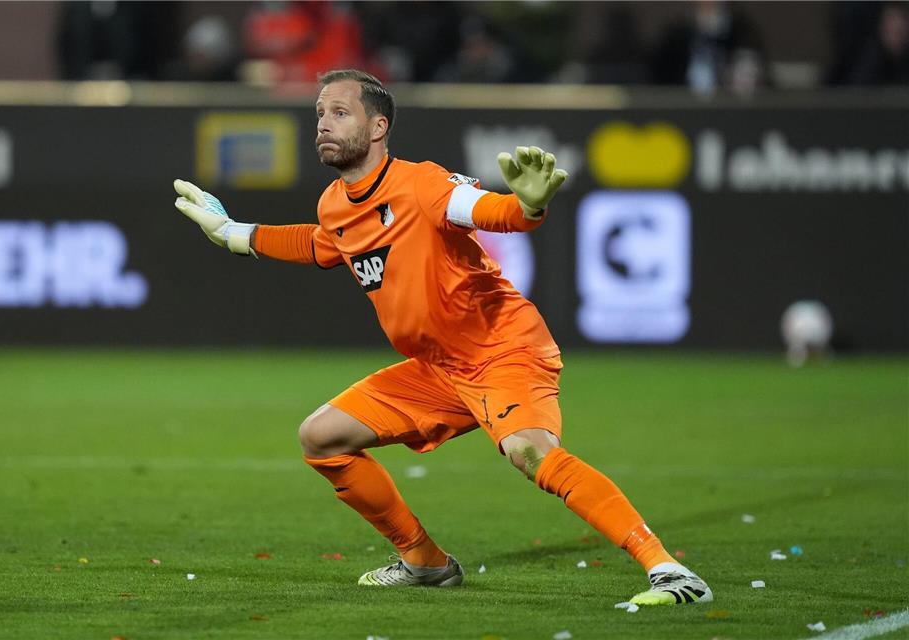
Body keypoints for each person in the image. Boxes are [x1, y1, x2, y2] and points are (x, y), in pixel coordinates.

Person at [171, 69, 712, 606]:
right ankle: (424, 562)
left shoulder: (422, 183)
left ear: (378, 126)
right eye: (319, 113)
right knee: (321, 436)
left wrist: (527, 205)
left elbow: (486, 211)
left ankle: (668, 570)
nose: (323, 124)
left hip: (502, 349)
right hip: (437, 368)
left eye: (339, 112)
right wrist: (233, 234)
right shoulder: (335, 203)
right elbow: (320, 245)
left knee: (530, 452)